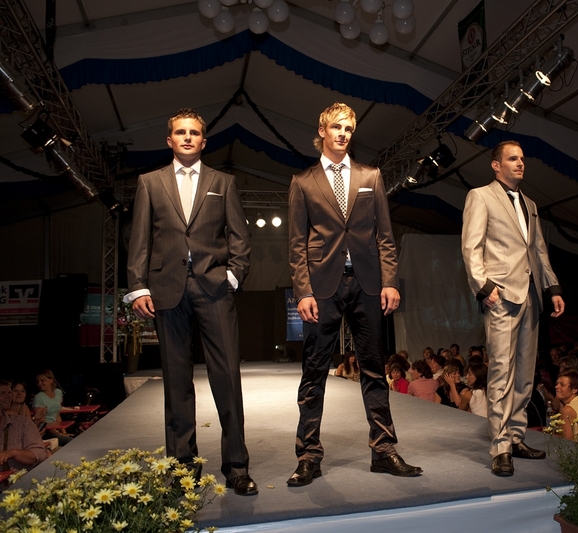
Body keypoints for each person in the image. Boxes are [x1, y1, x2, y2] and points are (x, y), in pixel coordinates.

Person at [287, 102, 421, 486]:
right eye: (337, 127)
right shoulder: (303, 181)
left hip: (367, 283)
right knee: (314, 372)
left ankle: (384, 450)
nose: (343, 134)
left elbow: (385, 235)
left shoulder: (371, 175)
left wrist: (390, 280)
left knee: (375, 370)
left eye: (348, 128)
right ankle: (308, 455)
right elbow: (296, 243)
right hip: (322, 287)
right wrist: (302, 291)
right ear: (323, 131)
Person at [124, 108, 256, 496]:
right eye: (180, 132)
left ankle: (236, 466)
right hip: (166, 289)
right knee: (176, 381)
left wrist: (233, 275)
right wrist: (138, 286)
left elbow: (240, 237)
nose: (187, 137)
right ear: (170, 140)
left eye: (194, 133)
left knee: (227, 377)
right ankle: (182, 468)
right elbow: (140, 238)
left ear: (203, 141)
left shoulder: (223, 182)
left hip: (214, 287)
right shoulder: (149, 182)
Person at [461, 140, 563, 477]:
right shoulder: (480, 196)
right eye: (513, 159)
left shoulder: (530, 204)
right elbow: (471, 247)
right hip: (501, 295)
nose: (520, 164)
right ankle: (500, 446)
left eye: (522, 159)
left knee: (524, 374)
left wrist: (552, 287)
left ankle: (517, 437)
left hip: (530, 295)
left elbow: (539, 249)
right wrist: (484, 287)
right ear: (496, 165)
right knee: (501, 373)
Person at [0, 381, 47, 473]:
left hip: (18, 480)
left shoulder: (22, 422)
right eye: (2, 393)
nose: (8, 396)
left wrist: (14, 453)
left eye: (9, 392)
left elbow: (40, 454)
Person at [31, 370, 72, 447]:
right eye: (38, 381)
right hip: (46, 432)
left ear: (51, 380)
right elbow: (40, 422)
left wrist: (64, 432)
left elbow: (57, 415)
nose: (39, 383)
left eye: (42, 380)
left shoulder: (58, 392)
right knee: (70, 441)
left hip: (56, 429)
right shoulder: (38, 397)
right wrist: (58, 434)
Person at [554, 370, 578, 442]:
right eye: (557, 384)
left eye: (562, 385)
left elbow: (566, 442)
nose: (556, 386)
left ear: (574, 390)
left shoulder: (568, 410)